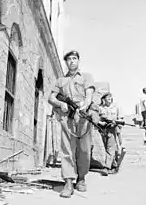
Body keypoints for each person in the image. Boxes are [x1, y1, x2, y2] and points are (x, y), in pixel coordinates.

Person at [48, 50, 96, 198]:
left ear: (78, 61)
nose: (72, 61)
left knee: (84, 151)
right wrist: (59, 103)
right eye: (69, 59)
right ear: (66, 62)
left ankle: (81, 178)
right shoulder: (60, 80)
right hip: (66, 118)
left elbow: (89, 96)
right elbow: (51, 97)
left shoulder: (86, 77)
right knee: (67, 150)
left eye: (74, 58)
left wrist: (84, 105)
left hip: (82, 117)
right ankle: (68, 182)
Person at [98, 92, 122, 174]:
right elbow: (97, 119)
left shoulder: (116, 107)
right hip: (103, 130)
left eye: (110, 97)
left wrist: (116, 123)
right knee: (106, 148)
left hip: (112, 129)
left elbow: (120, 118)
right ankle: (114, 165)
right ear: (103, 99)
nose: (109, 99)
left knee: (110, 148)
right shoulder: (100, 108)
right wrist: (102, 123)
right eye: (107, 98)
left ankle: (106, 167)